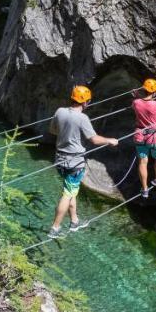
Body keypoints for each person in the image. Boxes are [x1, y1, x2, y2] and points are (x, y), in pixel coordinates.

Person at [48, 85, 118, 238]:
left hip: (59, 160)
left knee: (71, 190)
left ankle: (74, 221)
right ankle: (55, 228)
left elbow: (53, 130)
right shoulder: (82, 118)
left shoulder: (59, 111)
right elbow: (94, 139)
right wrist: (109, 140)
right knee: (67, 193)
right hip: (74, 164)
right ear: (85, 102)